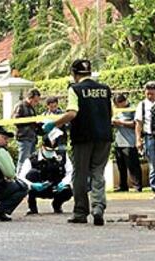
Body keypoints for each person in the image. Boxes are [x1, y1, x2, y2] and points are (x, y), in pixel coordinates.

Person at [42, 59, 112, 226]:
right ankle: (98, 208)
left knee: (80, 174)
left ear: (74, 74)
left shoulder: (75, 89)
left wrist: (54, 124)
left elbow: (73, 113)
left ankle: (81, 211)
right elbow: (110, 113)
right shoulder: (105, 89)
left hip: (82, 137)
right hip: (104, 137)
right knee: (98, 172)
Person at [18, 135, 73, 215]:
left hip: (56, 187)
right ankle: (32, 207)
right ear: (42, 146)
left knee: (68, 191)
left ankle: (57, 205)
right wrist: (32, 185)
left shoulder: (62, 156)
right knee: (32, 173)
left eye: (53, 149)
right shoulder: (32, 159)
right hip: (39, 187)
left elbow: (70, 172)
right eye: (48, 149)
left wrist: (64, 182)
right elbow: (21, 177)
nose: (51, 152)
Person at [112, 93, 142, 192]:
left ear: (122, 102)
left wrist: (121, 123)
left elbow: (135, 124)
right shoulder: (116, 110)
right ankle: (122, 185)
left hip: (129, 142)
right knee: (121, 166)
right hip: (118, 141)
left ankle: (137, 185)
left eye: (117, 104)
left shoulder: (132, 109)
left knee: (133, 166)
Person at [135, 81, 155, 195]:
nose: (150, 96)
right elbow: (139, 123)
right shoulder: (143, 105)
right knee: (153, 164)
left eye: (152, 94)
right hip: (150, 136)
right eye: (147, 94)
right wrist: (138, 139)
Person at [12, 89, 41, 174]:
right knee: (23, 161)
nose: (36, 103)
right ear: (30, 98)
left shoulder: (31, 108)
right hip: (24, 137)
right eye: (35, 101)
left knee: (31, 161)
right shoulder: (20, 106)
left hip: (32, 137)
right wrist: (29, 122)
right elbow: (15, 121)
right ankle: (19, 179)